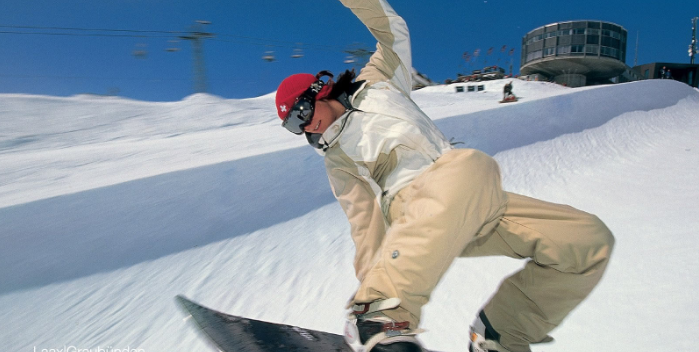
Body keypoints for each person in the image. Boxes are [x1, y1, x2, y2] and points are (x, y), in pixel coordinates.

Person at [274, 1, 614, 351]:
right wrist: (372, 294)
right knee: (470, 166)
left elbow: (392, 31)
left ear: (320, 91)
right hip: (413, 210)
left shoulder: (379, 81)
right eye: (293, 127)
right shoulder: (338, 157)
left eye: (301, 112)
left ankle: (501, 333)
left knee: (586, 242)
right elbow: (365, 224)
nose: (304, 127)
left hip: (469, 200)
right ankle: (381, 315)